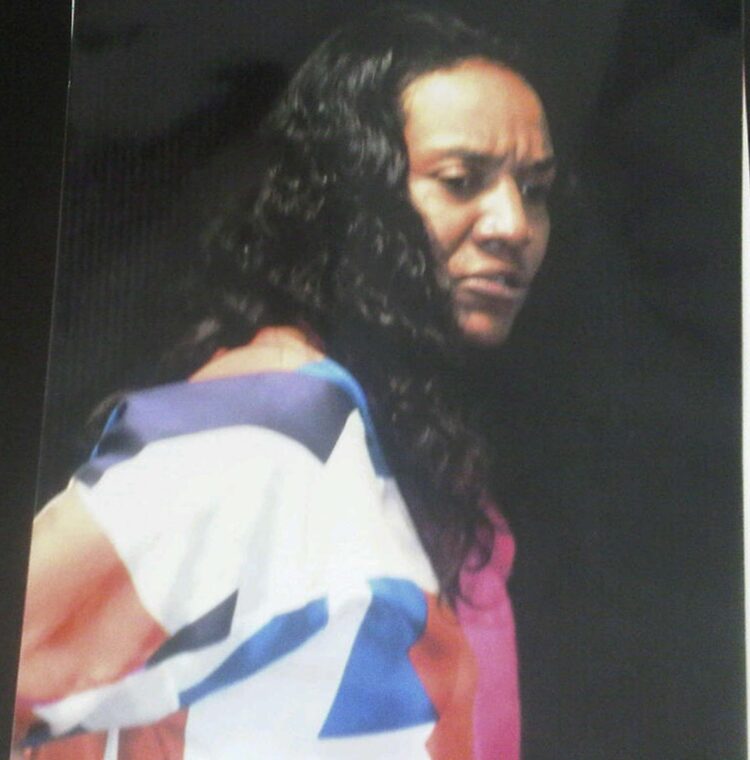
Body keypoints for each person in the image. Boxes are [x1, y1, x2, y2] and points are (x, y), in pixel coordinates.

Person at [13, 7, 556, 759]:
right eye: (461, 179)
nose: (514, 225)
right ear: (349, 194)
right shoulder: (263, 430)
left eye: (536, 189)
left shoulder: (439, 475)